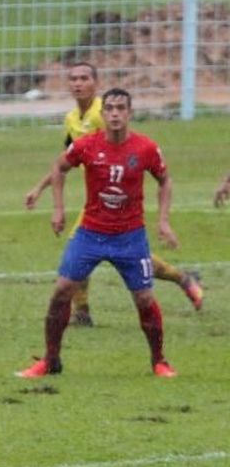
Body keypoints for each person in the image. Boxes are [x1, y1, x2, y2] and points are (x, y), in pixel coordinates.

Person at [17, 88, 179, 379]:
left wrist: (164, 221)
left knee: (144, 298)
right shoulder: (86, 145)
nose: (115, 114)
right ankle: (51, 360)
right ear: (102, 114)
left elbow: (165, 180)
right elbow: (59, 167)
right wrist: (58, 209)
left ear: (130, 113)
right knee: (62, 290)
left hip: (130, 236)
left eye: (121, 108)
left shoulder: (145, 148)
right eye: (110, 109)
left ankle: (159, 361)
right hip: (90, 233)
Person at [25, 60, 202, 323]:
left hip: (120, 199)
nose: (78, 84)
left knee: (101, 253)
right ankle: (182, 279)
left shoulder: (104, 113)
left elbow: (130, 149)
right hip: (97, 200)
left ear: (96, 83)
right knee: (109, 255)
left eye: (84, 79)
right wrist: (40, 188)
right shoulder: (72, 118)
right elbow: (66, 160)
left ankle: (83, 312)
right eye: (73, 79)